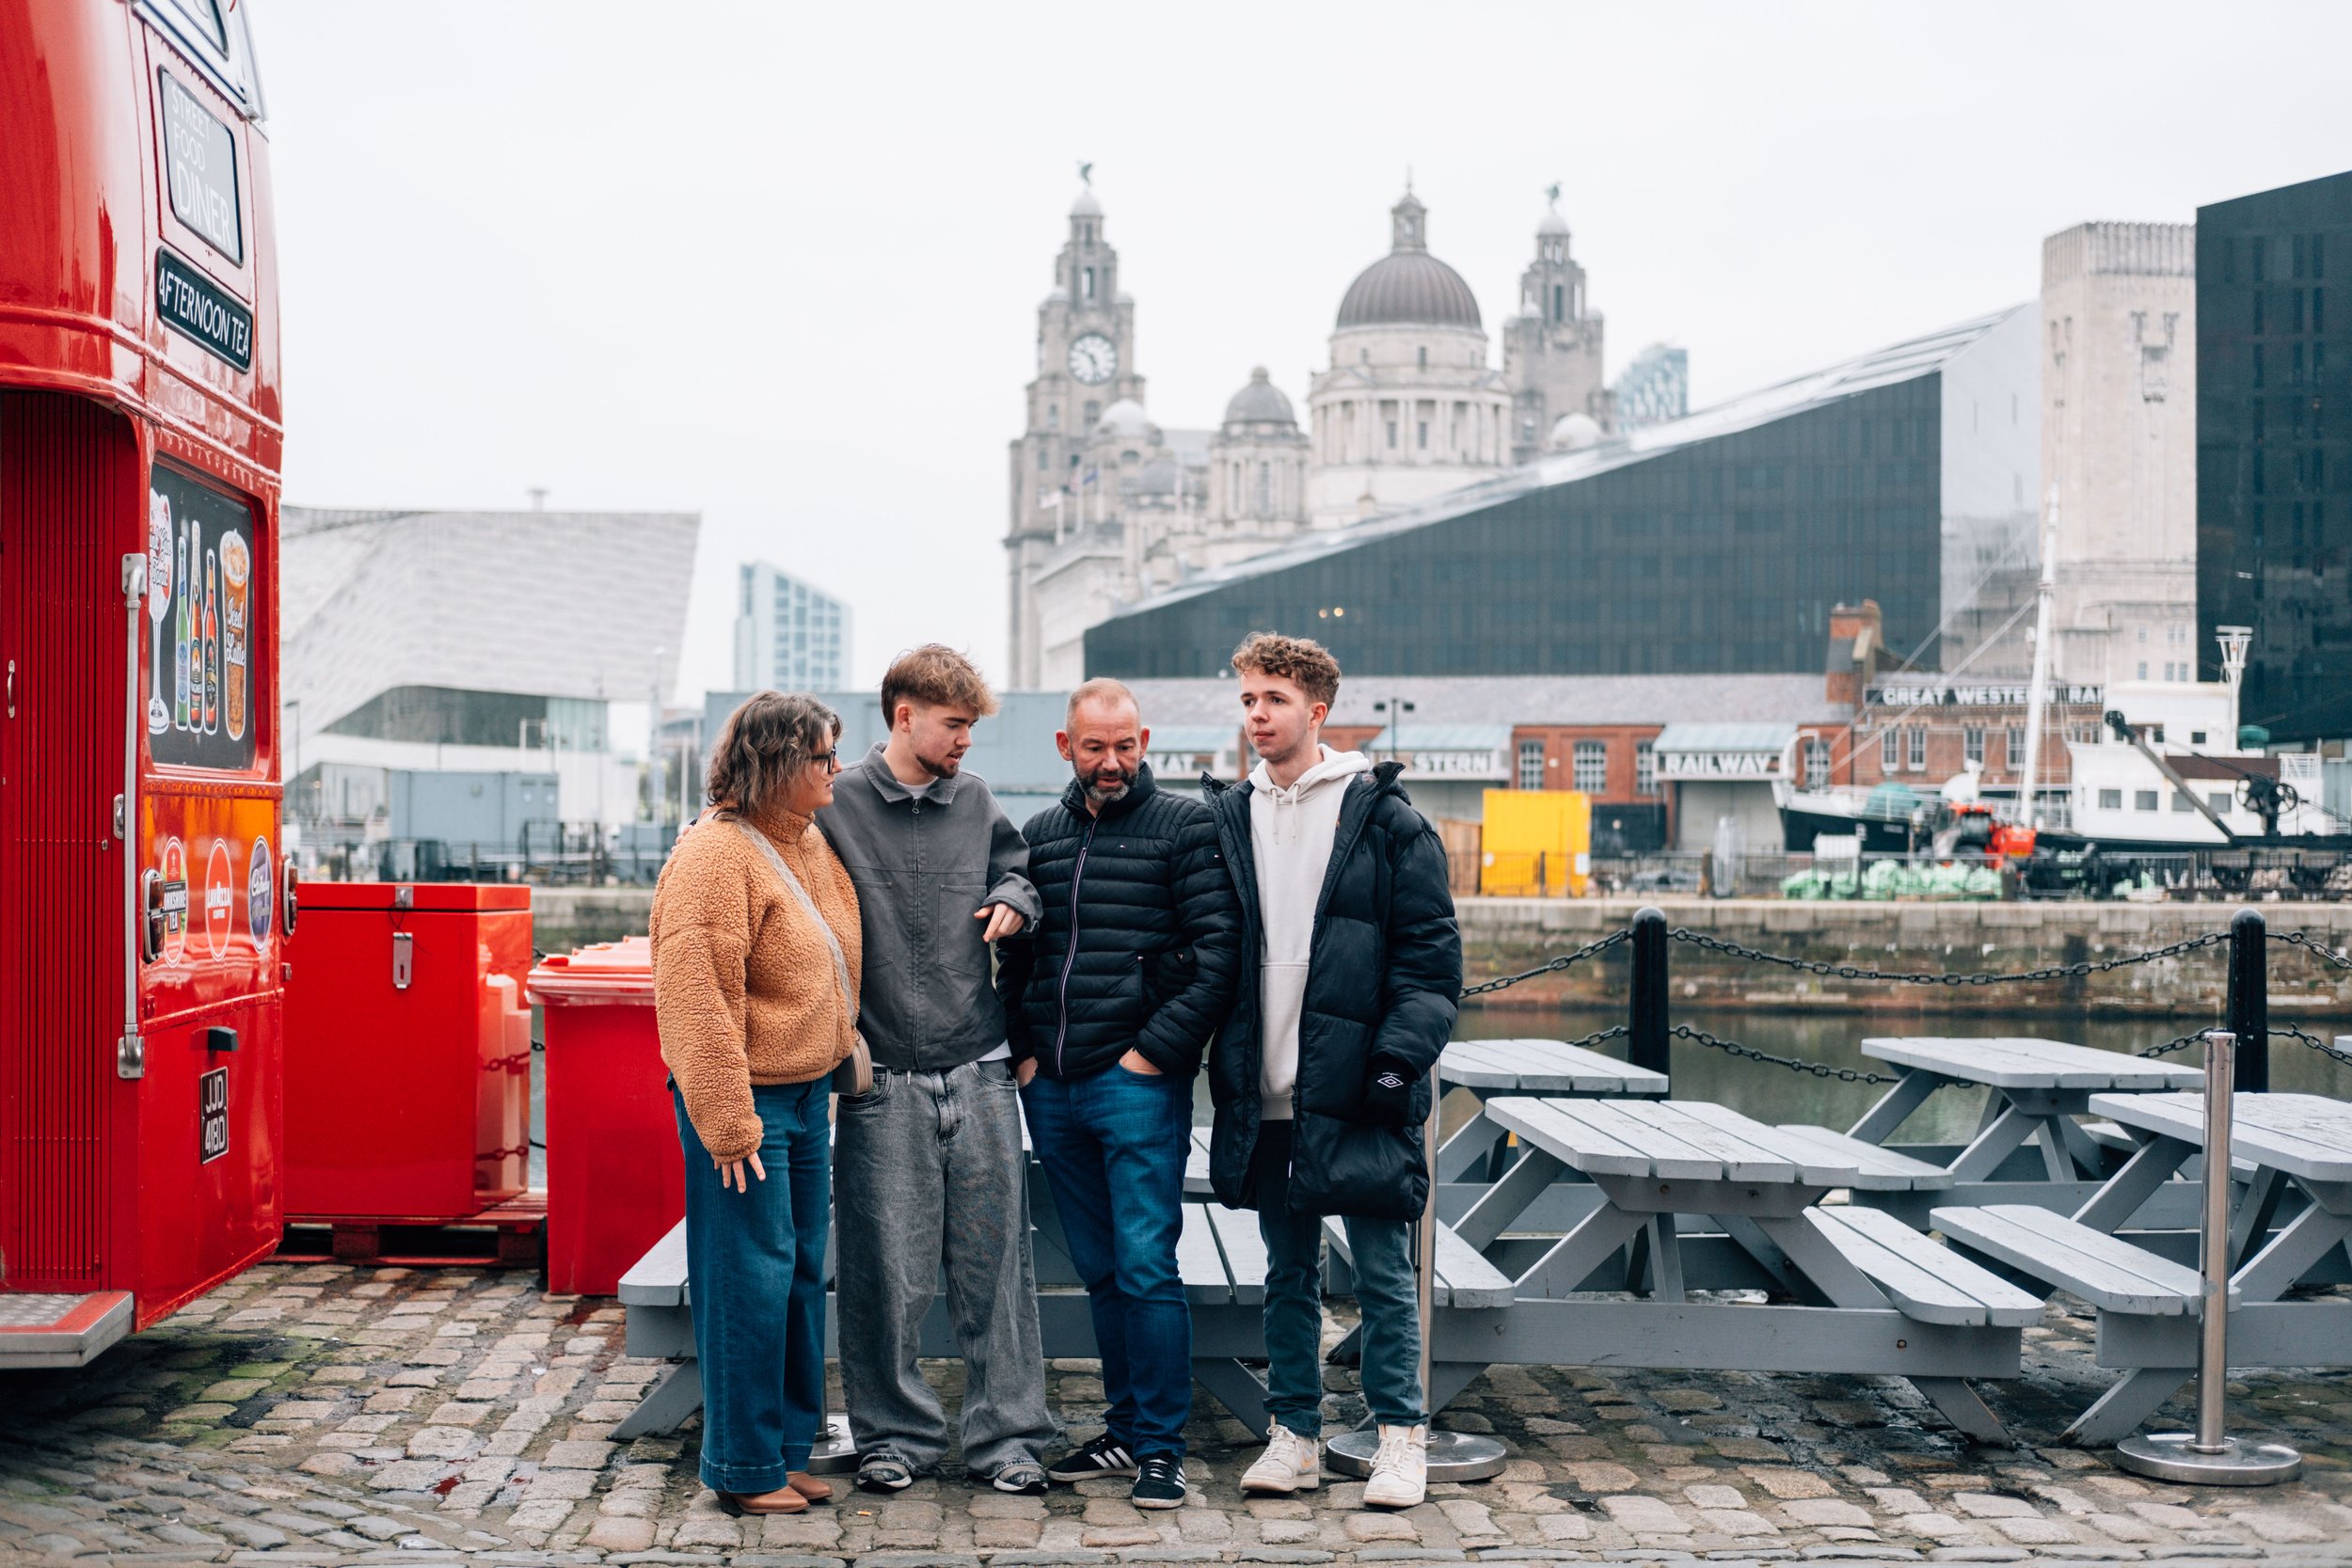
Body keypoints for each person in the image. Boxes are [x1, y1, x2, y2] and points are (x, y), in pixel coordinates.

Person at [1200, 635, 1462, 1511]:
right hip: (1265, 1085)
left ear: (1317, 710)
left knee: (1385, 1269)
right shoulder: (1229, 814)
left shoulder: (1387, 817)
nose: (1257, 715)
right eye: (1247, 700)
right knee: (1288, 1269)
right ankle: (1296, 1434)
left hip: (1358, 1084)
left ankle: (1400, 1438)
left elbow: (1431, 959)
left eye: (1273, 698)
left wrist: (1395, 1064)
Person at [816, 645, 1058, 1497]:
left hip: (982, 1067)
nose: (965, 740)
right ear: (905, 715)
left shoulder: (978, 798)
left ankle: (1010, 1440)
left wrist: (1016, 900)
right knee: (884, 1269)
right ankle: (896, 1438)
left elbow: (1019, 869)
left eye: (970, 726)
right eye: (955, 724)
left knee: (998, 1268)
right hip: (880, 1079)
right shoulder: (834, 803)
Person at [995, 679, 1242, 1510]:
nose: (1112, 762)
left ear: (1146, 741)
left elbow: (1218, 957)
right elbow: (1021, 959)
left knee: (1145, 1266)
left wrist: (1150, 1057)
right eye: (1094, 747)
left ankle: (1163, 1447)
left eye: (1125, 745)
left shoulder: (1185, 826)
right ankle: (1127, 1428)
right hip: (1054, 1087)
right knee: (1101, 1271)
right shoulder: (1040, 834)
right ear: (1066, 747)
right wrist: (1026, 1055)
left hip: (1135, 1083)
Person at [651, 691, 860, 1517]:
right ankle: (741, 1466)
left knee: (802, 1273)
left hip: (808, 1097)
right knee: (748, 1279)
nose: (835, 769)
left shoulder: (803, 840)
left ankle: (782, 1447)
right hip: (749, 1107)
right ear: (777, 763)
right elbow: (694, 991)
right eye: (821, 755)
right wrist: (727, 1119)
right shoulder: (714, 857)